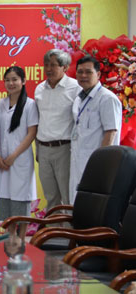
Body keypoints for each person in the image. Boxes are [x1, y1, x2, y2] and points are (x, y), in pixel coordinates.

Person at [69, 56, 122, 203]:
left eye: (88, 72)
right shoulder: (80, 99)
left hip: (96, 166)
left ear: (98, 74)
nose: (83, 76)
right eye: (80, 72)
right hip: (78, 162)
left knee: (93, 209)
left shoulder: (107, 99)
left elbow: (111, 132)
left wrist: (101, 164)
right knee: (77, 205)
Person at [34, 49, 81, 209]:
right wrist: (38, 149)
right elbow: (39, 120)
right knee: (50, 195)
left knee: (68, 195)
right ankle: (53, 232)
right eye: (46, 65)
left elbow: (79, 121)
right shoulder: (39, 89)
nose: (48, 69)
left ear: (65, 67)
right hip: (44, 149)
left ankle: (68, 233)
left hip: (65, 149)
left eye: (53, 65)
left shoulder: (75, 88)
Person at [0, 66, 38, 221]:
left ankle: (20, 240)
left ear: (23, 81)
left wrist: (13, 156)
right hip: (1, 162)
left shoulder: (30, 105)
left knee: (20, 201)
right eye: (7, 80)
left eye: (14, 79)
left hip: (20, 159)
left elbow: (32, 133)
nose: (10, 83)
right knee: (4, 200)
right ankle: (8, 238)